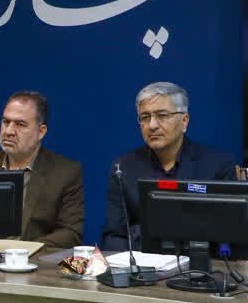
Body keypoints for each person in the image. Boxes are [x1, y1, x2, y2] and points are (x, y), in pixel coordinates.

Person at [101, 82, 237, 252]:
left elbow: (229, 235)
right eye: (145, 117)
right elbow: (113, 237)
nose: (152, 125)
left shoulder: (217, 165)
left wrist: (141, 234)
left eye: (162, 115)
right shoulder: (124, 167)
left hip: (197, 265)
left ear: (184, 121)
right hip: (143, 265)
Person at [0, 91, 83, 249]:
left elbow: (71, 233)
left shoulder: (65, 172)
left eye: (20, 124)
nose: (8, 131)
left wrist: (22, 251)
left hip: (33, 259)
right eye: (6, 122)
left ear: (41, 132)